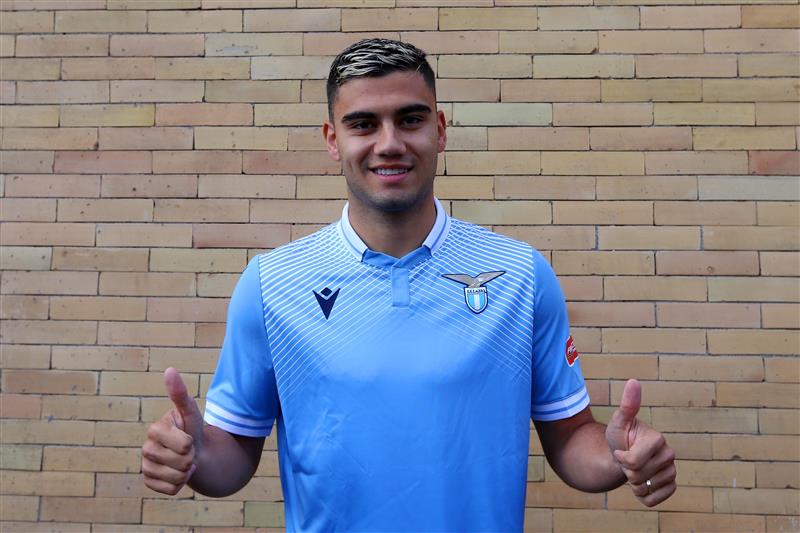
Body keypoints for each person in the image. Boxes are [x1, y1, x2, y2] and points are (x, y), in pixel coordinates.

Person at [141, 38, 676, 532]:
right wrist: (193, 457)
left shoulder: (519, 275)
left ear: (440, 129)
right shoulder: (272, 283)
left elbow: (569, 438)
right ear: (333, 140)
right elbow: (232, 455)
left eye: (410, 119)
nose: (389, 143)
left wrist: (616, 456)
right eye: (363, 124)